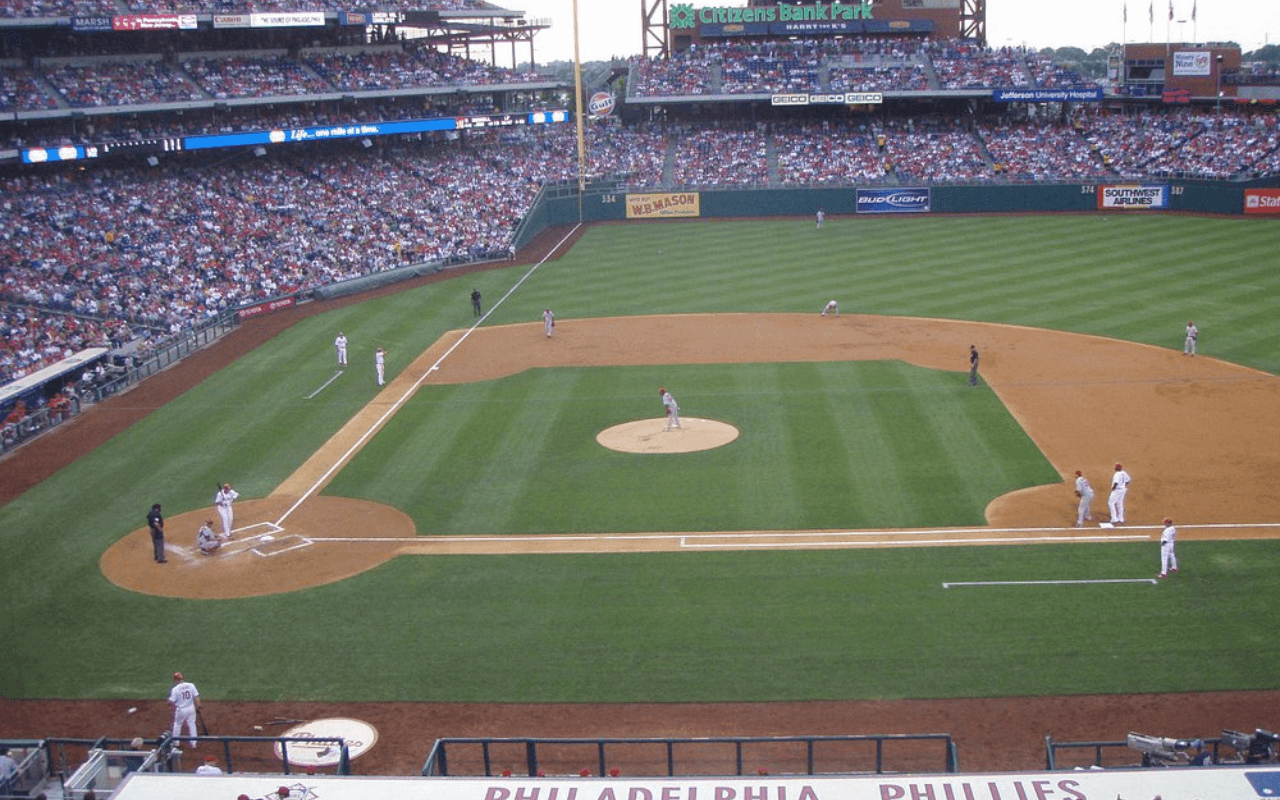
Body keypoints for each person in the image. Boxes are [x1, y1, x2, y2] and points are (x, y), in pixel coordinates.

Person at [168, 671, 200, 749]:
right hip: (191, 708)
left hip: (181, 710)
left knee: (177, 725)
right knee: (192, 724)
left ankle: (176, 743)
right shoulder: (191, 685)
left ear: (175, 680)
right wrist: (198, 705)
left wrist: (170, 704)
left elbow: (171, 701)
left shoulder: (175, 689)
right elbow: (196, 696)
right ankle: (193, 743)